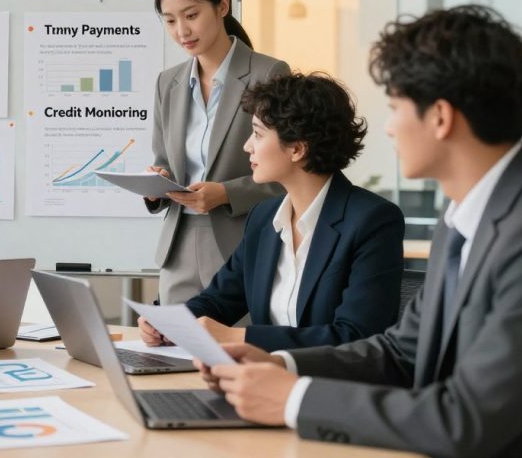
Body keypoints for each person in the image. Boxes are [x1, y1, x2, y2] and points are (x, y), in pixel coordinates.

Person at [200, 5, 522, 457]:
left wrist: (293, 399)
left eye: (395, 106)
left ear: (440, 117)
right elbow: (400, 352)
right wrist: (279, 363)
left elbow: (467, 418)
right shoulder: (465, 219)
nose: (389, 126)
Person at [139, 73, 404, 352]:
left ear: (297, 149)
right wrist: (170, 323)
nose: (247, 146)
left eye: (257, 133)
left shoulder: (372, 220)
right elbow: (218, 301)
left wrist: (237, 338)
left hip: (328, 387)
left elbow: (355, 337)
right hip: (260, 380)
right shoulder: (264, 218)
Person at [147, 0, 291, 304]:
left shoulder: (269, 73)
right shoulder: (168, 83)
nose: (182, 30)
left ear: (222, 5)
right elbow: (163, 160)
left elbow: (290, 171)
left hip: (240, 240)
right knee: (171, 351)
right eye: (170, 21)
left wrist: (225, 193)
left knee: (232, 352)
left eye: (191, 15)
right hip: (178, 244)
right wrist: (156, 184)